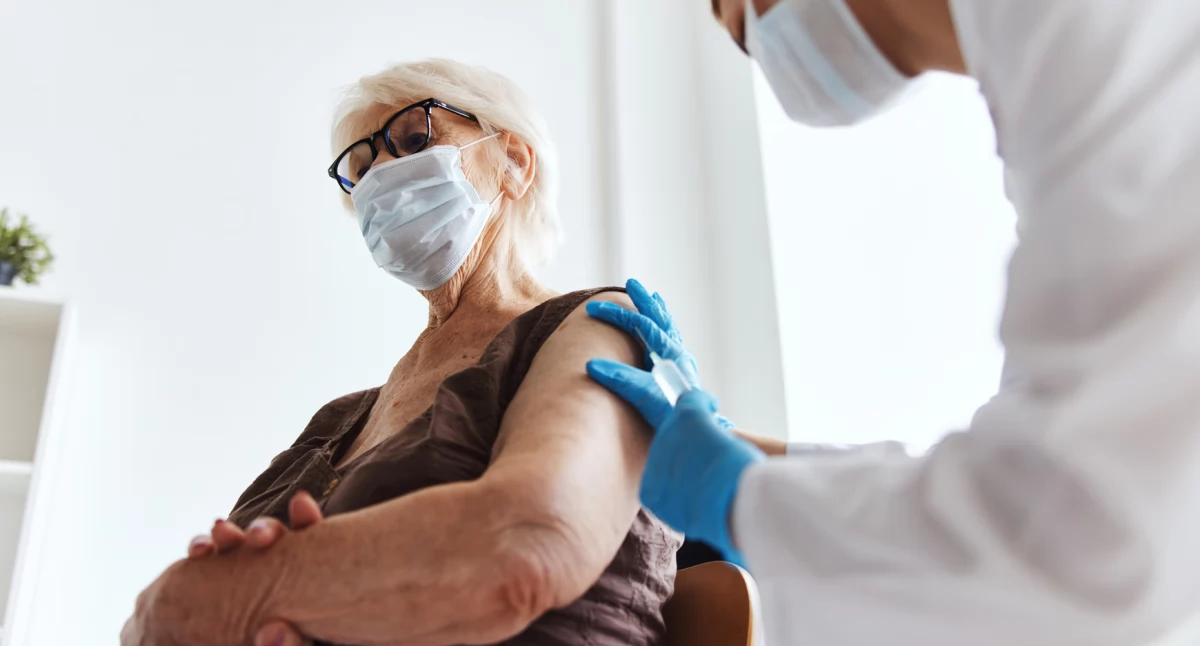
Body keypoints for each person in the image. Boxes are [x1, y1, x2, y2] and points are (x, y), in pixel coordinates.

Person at [585, 0, 1200, 644]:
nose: (740, 29)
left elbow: (1091, 539)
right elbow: (1066, 451)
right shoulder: (1053, 75)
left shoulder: (1091, 47)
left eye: (733, 16)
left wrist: (743, 496)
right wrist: (739, 455)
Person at [120, 59, 685, 646]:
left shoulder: (603, 321)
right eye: (360, 171)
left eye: (415, 139)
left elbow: (529, 544)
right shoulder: (339, 418)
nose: (381, 177)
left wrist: (226, 596)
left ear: (514, 161)